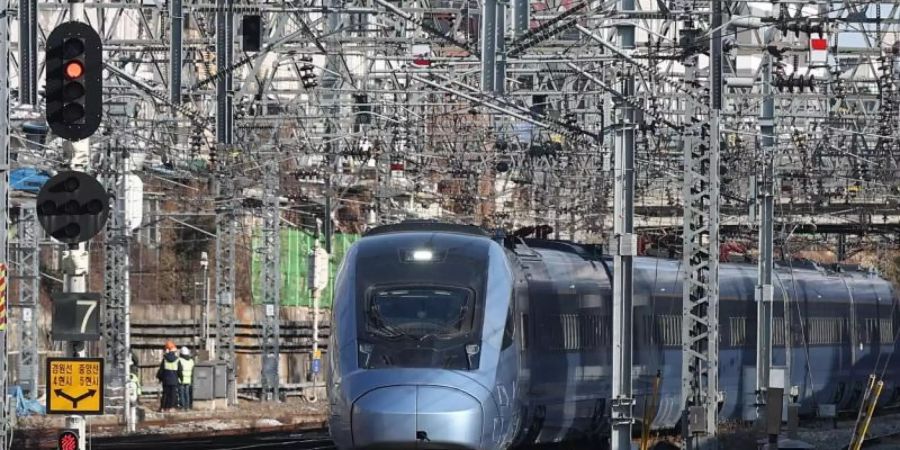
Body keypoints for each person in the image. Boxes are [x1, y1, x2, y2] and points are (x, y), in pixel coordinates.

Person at [156, 341, 181, 412]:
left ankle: (163, 408)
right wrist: (180, 378)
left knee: (165, 394)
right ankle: (171, 408)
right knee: (173, 395)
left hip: (166, 380)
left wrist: (160, 378)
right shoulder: (177, 360)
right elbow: (179, 370)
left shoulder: (165, 360)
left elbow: (161, 370)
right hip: (174, 380)